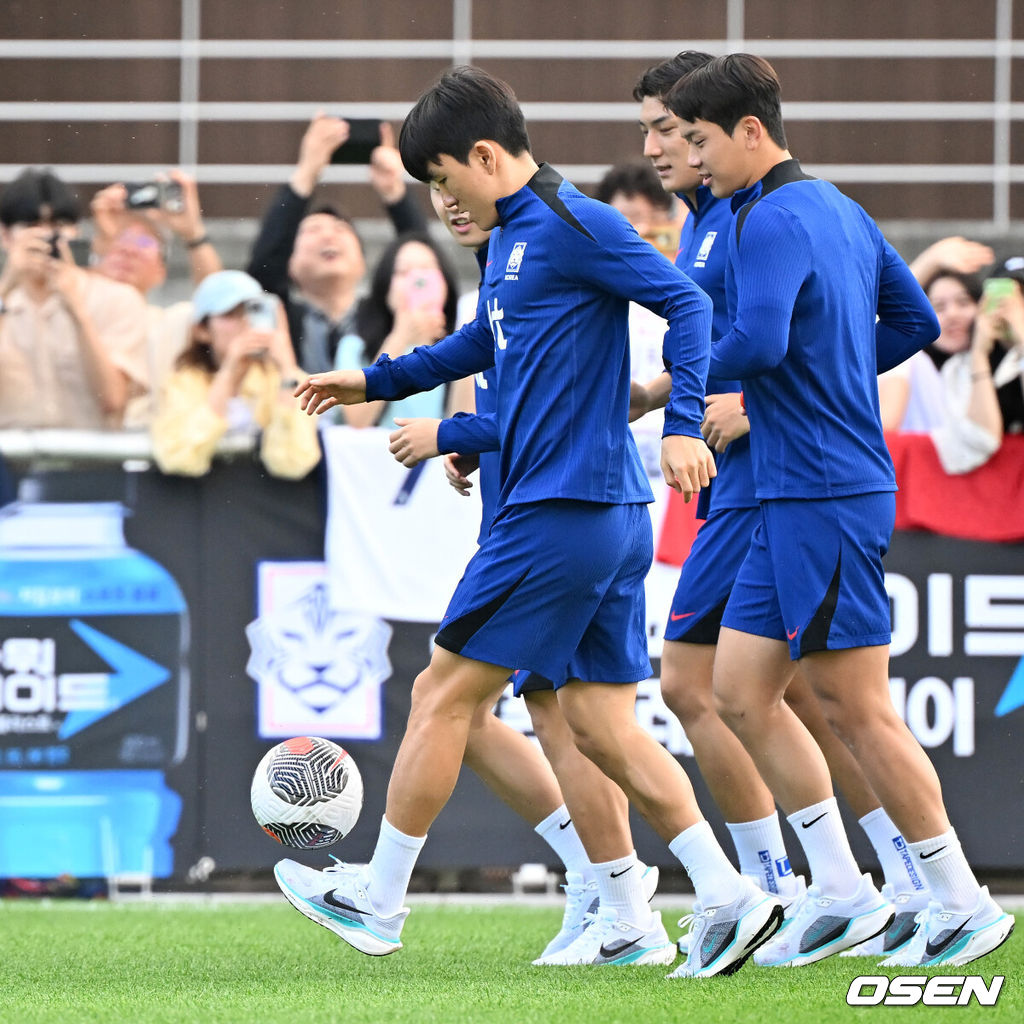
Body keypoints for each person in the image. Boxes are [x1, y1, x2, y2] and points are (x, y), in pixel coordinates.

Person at [275, 65, 785, 980]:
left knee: (443, 694)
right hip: (593, 512)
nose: (440, 200)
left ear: (483, 155)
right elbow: (488, 343)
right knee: (592, 723)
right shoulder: (513, 239)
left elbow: (688, 303)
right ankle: (718, 896)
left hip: (560, 509)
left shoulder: (571, 222)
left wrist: (678, 425)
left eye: (443, 180)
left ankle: (378, 897)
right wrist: (378, 379)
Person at [666, 52, 1013, 968]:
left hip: (823, 488)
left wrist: (671, 386)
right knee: (738, 692)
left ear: (750, 132)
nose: (696, 160)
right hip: (801, 485)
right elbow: (913, 324)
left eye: (700, 140)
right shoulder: (842, 208)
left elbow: (761, 337)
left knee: (858, 709)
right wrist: (827, 375)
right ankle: (842, 891)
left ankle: (960, 900)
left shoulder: (769, 215)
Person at [633, 52, 931, 964]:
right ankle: (800, 885)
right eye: (653, 131)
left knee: (812, 693)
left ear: (729, 131)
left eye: (674, 130)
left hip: (789, 483)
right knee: (711, 686)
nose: (660, 148)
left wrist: (758, 400)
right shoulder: (716, 219)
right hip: (754, 488)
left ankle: (896, 884)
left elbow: (780, 345)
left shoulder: (756, 214)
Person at [385, 183, 661, 964]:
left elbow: (588, 403)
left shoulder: (581, 260)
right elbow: (505, 381)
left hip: (577, 507)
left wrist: (452, 429)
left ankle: (701, 893)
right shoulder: (499, 268)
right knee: (531, 711)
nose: (449, 203)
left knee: (562, 716)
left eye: (454, 182)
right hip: (531, 505)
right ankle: (607, 888)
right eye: (434, 191)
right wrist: (473, 437)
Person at [246, 114, 429, 375]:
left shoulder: (383, 316)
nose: (329, 236)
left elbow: (424, 263)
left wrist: (395, 192)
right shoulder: (278, 316)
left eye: (341, 230)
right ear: (289, 262)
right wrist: (307, 172)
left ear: (363, 262)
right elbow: (264, 265)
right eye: (313, 230)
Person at [0, 167, 148, 430]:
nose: (45, 237)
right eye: (32, 225)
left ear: (76, 231)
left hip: (92, 464)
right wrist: (6, 287)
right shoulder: (4, 298)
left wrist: (76, 308)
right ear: (5, 235)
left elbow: (112, 399)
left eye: (57, 225)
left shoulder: (117, 299)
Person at [150, 270, 320, 480]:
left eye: (254, 311)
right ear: (202, 330)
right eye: (230, 314)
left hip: (263, 505)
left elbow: (293, 463)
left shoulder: (291, 380)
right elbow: (179, 458)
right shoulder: (183, 382)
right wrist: (229, 373)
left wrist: (287, 368)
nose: (245, 323)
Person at [89, 169, 223, 426]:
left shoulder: (168, 323)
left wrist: (193, 233)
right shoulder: (77, 310)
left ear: (161, 271)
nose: (128, 249)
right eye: (120, 239)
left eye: (144, 243)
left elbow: (220, 303)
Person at [880, 247, 1024, 473]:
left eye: (963, 302)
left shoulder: (1005, 361)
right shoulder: (917, 363)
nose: (953, 315)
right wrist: (930, 260)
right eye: (938, 307)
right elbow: (882, 325)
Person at [332, 232, 464, 428]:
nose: (417, 281)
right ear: (385, 285)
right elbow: (358, 421)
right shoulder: (354, 347)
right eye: (403, 272)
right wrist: (399, 337)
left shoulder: (465, 350)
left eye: (427, 270)